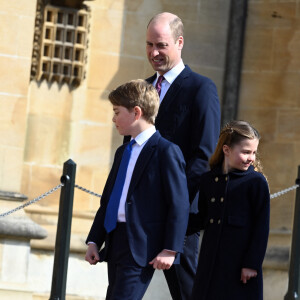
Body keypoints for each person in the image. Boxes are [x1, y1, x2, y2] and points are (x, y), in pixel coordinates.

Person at [85, 79, 190, 300]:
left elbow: (179, 204)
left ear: (136, 112)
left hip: (141, 245)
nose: (113, 118)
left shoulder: (166, 151)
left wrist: (170, 249)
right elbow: (109, 200)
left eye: (117, 112)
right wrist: (94, 240)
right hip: (115, 241)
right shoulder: (123, 152)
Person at [145, 12, 221, 300]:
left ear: (179, 43)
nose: (154, 52)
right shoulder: (143, 88)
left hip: (180, 213)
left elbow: (203, 156)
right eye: (149, 44)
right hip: (140, 212)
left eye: (161, 45)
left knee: (187, 290)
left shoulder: (201, 88)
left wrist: (176, 204)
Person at [189, 120, 270, 300]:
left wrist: (251, 264)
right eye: (246, 152)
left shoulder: (256, 182)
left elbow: (261, 228)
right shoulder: (209, 180)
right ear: (226, 150)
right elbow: (202, 218)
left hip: (240, 266)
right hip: (210, 264)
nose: (251, 158)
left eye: (254, 152)